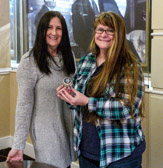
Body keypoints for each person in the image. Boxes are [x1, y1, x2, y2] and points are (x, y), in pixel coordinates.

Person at [57, 12, 145, 168]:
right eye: (100, 30)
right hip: (87, 150)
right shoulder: (86, 61)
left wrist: (86, 101)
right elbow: (78, 102)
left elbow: (126, 108)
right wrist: (69, 96)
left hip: (120, 154)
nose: (103, 34)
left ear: (119, 35)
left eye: (110, 30)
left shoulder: (129, 66)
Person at [7, 11, 76, 168]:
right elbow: (24, 105)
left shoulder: (69, 56)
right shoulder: (29, 61)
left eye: (59, 28)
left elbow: (73, 89)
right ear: (42, 31)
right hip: (46, 132)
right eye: (49, 27)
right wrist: (18, 145)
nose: (54, 32)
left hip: (66, 126)